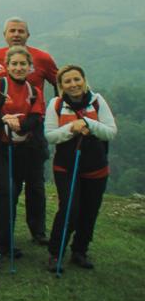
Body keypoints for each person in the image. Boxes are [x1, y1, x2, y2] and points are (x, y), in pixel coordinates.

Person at [46, 65, 117, 271]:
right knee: (70, 209)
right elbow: (50, 135)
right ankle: (55, 253)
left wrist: (87, 123)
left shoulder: (97, 101)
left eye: (77, 79)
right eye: (67, 81)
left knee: (89, 210)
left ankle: (80, 250)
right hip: (66, 168)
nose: (73, 84)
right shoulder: (56, 104)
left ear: (84, 80)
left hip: (96, 167)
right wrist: (72, 127)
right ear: (61, 86)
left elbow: (110, 131)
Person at [0, 46, 46, 269]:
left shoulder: (34, 90)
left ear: (30, 67)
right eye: (14, 64)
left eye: (23, 64)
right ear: (7, 66)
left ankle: (6, 241)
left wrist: (20, 124)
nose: (19, 68)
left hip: (21, 149)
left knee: (12, 193)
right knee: (5, 189)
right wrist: (4, 120)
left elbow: (37, 118)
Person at [0, 17, 58, 94]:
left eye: (21, 31)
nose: (16, 34)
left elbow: (59, 83)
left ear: (28, 35)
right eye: (12, 31)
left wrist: (56, 104)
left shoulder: (43, 58)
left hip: (34, 105)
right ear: (4, 35)